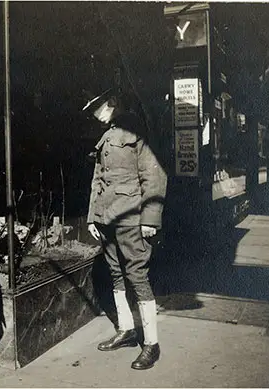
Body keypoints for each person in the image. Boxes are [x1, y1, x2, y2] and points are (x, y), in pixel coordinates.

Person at [83, 88, 167, 370]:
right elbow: (99, 179)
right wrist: (92, 217)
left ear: (113, 103)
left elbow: (153, 176)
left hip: (131, 219)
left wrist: (150, 219)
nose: (95, 114)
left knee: (137, 276)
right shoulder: (108, 135)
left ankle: (151, 344)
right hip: (107, 219)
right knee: (116, 274)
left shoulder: (136, 132)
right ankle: (127, 329)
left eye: (97, 107)